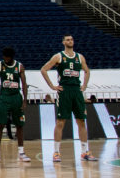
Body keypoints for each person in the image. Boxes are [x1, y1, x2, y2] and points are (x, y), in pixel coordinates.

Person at [40, 34, 97, 163]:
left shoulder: (80, 57)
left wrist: (84, 86)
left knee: (81, 122)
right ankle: (56, 152)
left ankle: (84, 152)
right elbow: (43, 70)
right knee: (60, 122)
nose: (70, 41)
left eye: (71, 39)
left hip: (77, 91)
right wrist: (52, 86)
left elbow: (87, 71)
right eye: (67, 39)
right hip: (64, 91)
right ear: (63, 42)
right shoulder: (58, 56)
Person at [0, 47, 30, 163]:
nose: (5, 58)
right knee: (1, 124)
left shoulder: (19, 66)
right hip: (4, 97)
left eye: (7, 57)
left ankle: (21, 152)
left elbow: (24, 84)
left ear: (12, 57)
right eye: (4, 56)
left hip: (16, 97)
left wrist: (24, 100)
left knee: (19, 125)